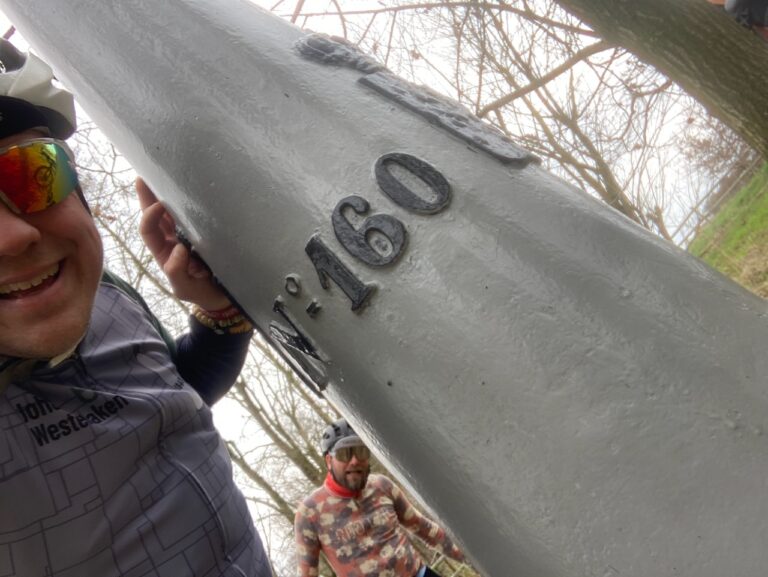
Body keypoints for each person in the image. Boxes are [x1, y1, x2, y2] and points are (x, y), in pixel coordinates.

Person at [0, 39, 272, 576]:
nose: (13, 237)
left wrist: (220, 315)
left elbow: (172, 395)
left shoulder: (106, 293)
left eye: (31, 174)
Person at [294, 419, 465, 577]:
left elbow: (422, 527)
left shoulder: (381, 486)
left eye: (361, 451)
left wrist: (470, 558)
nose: (354, 461)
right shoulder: (310, 513)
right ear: (329, 461)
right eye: (344, 454)